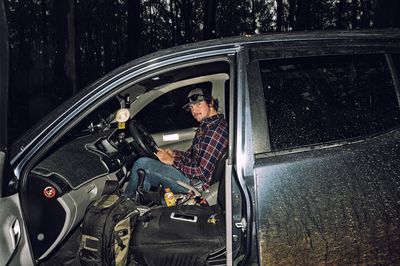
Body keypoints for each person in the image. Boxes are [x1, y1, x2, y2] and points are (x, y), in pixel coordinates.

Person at [124, 86, 229, 196]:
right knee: (145, 175)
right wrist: (174, 154)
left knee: (142, 164)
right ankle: (138, 203)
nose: (194, 110)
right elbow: (191, 156)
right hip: (192, 177)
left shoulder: (216, 131)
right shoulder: (206, 126)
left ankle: (125, 202)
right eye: (191, 107)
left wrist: (172, 161)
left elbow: (202, 173)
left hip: (196, 185)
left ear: (211, 103)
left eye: (199, 104)